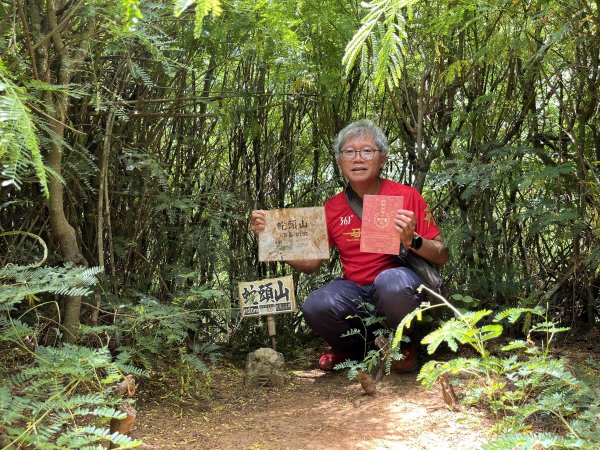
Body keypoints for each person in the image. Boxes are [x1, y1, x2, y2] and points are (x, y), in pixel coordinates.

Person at [250, 120, 448, 372]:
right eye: (349, 152)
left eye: (367, 151)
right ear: (339, 160)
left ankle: (403, 344)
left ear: (383, 159)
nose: (358, 159)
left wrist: (412, 240)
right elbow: (311, 264)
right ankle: (352, 348)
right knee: (316, 305)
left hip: (397, 286)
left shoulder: (407, 196)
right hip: (356, 291)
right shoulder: (331, 207)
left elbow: (441, 255)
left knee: (390, 282)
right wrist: (271, 238)